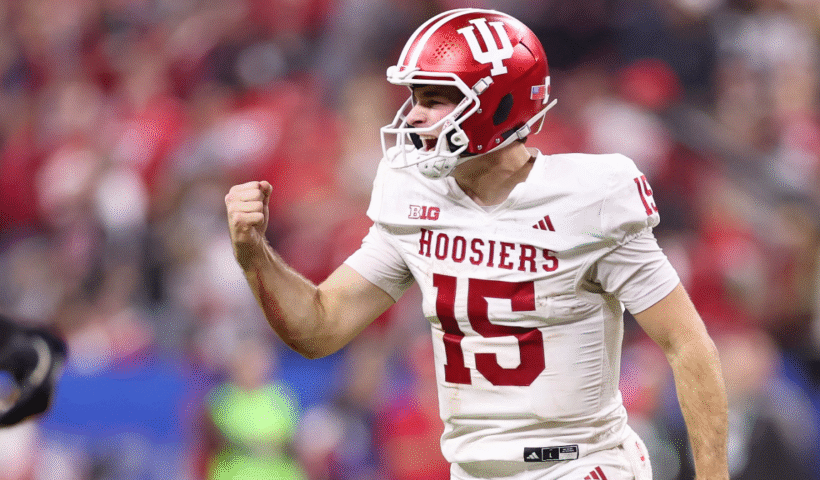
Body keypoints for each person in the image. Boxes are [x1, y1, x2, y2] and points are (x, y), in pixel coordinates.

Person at [225, 8, 729, 480]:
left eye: (435, 99)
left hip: (579, 466)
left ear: (499, 103)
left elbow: (687, 345)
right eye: (415, 98)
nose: (414, 116)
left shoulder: (590, 197)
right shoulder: (413, 195)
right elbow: (319, 328)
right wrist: (255, 255)